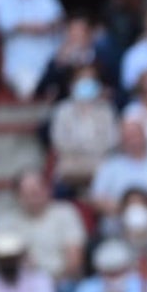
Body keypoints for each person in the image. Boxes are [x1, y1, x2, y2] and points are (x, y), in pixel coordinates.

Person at [0, 170, 86, 292]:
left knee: (67, 291)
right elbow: (2, 261)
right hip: (19, 284)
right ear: (17, 196)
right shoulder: (6, 223)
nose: (35, 196)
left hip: (59, 282)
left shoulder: (66, 212)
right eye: (29, 193)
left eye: (38, 191)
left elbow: (74, 262)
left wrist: (47, 285)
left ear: (48, 190)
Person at [48, 63, 119, 198]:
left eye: (91, 79)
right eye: (81, 79)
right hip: (70, 168)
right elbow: (60, 142)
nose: (86, 83)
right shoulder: (62, 110)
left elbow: (111, 141)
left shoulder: (106, 110)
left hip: (100, 167)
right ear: (73, 84)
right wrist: (88, 149)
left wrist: (82, 148)